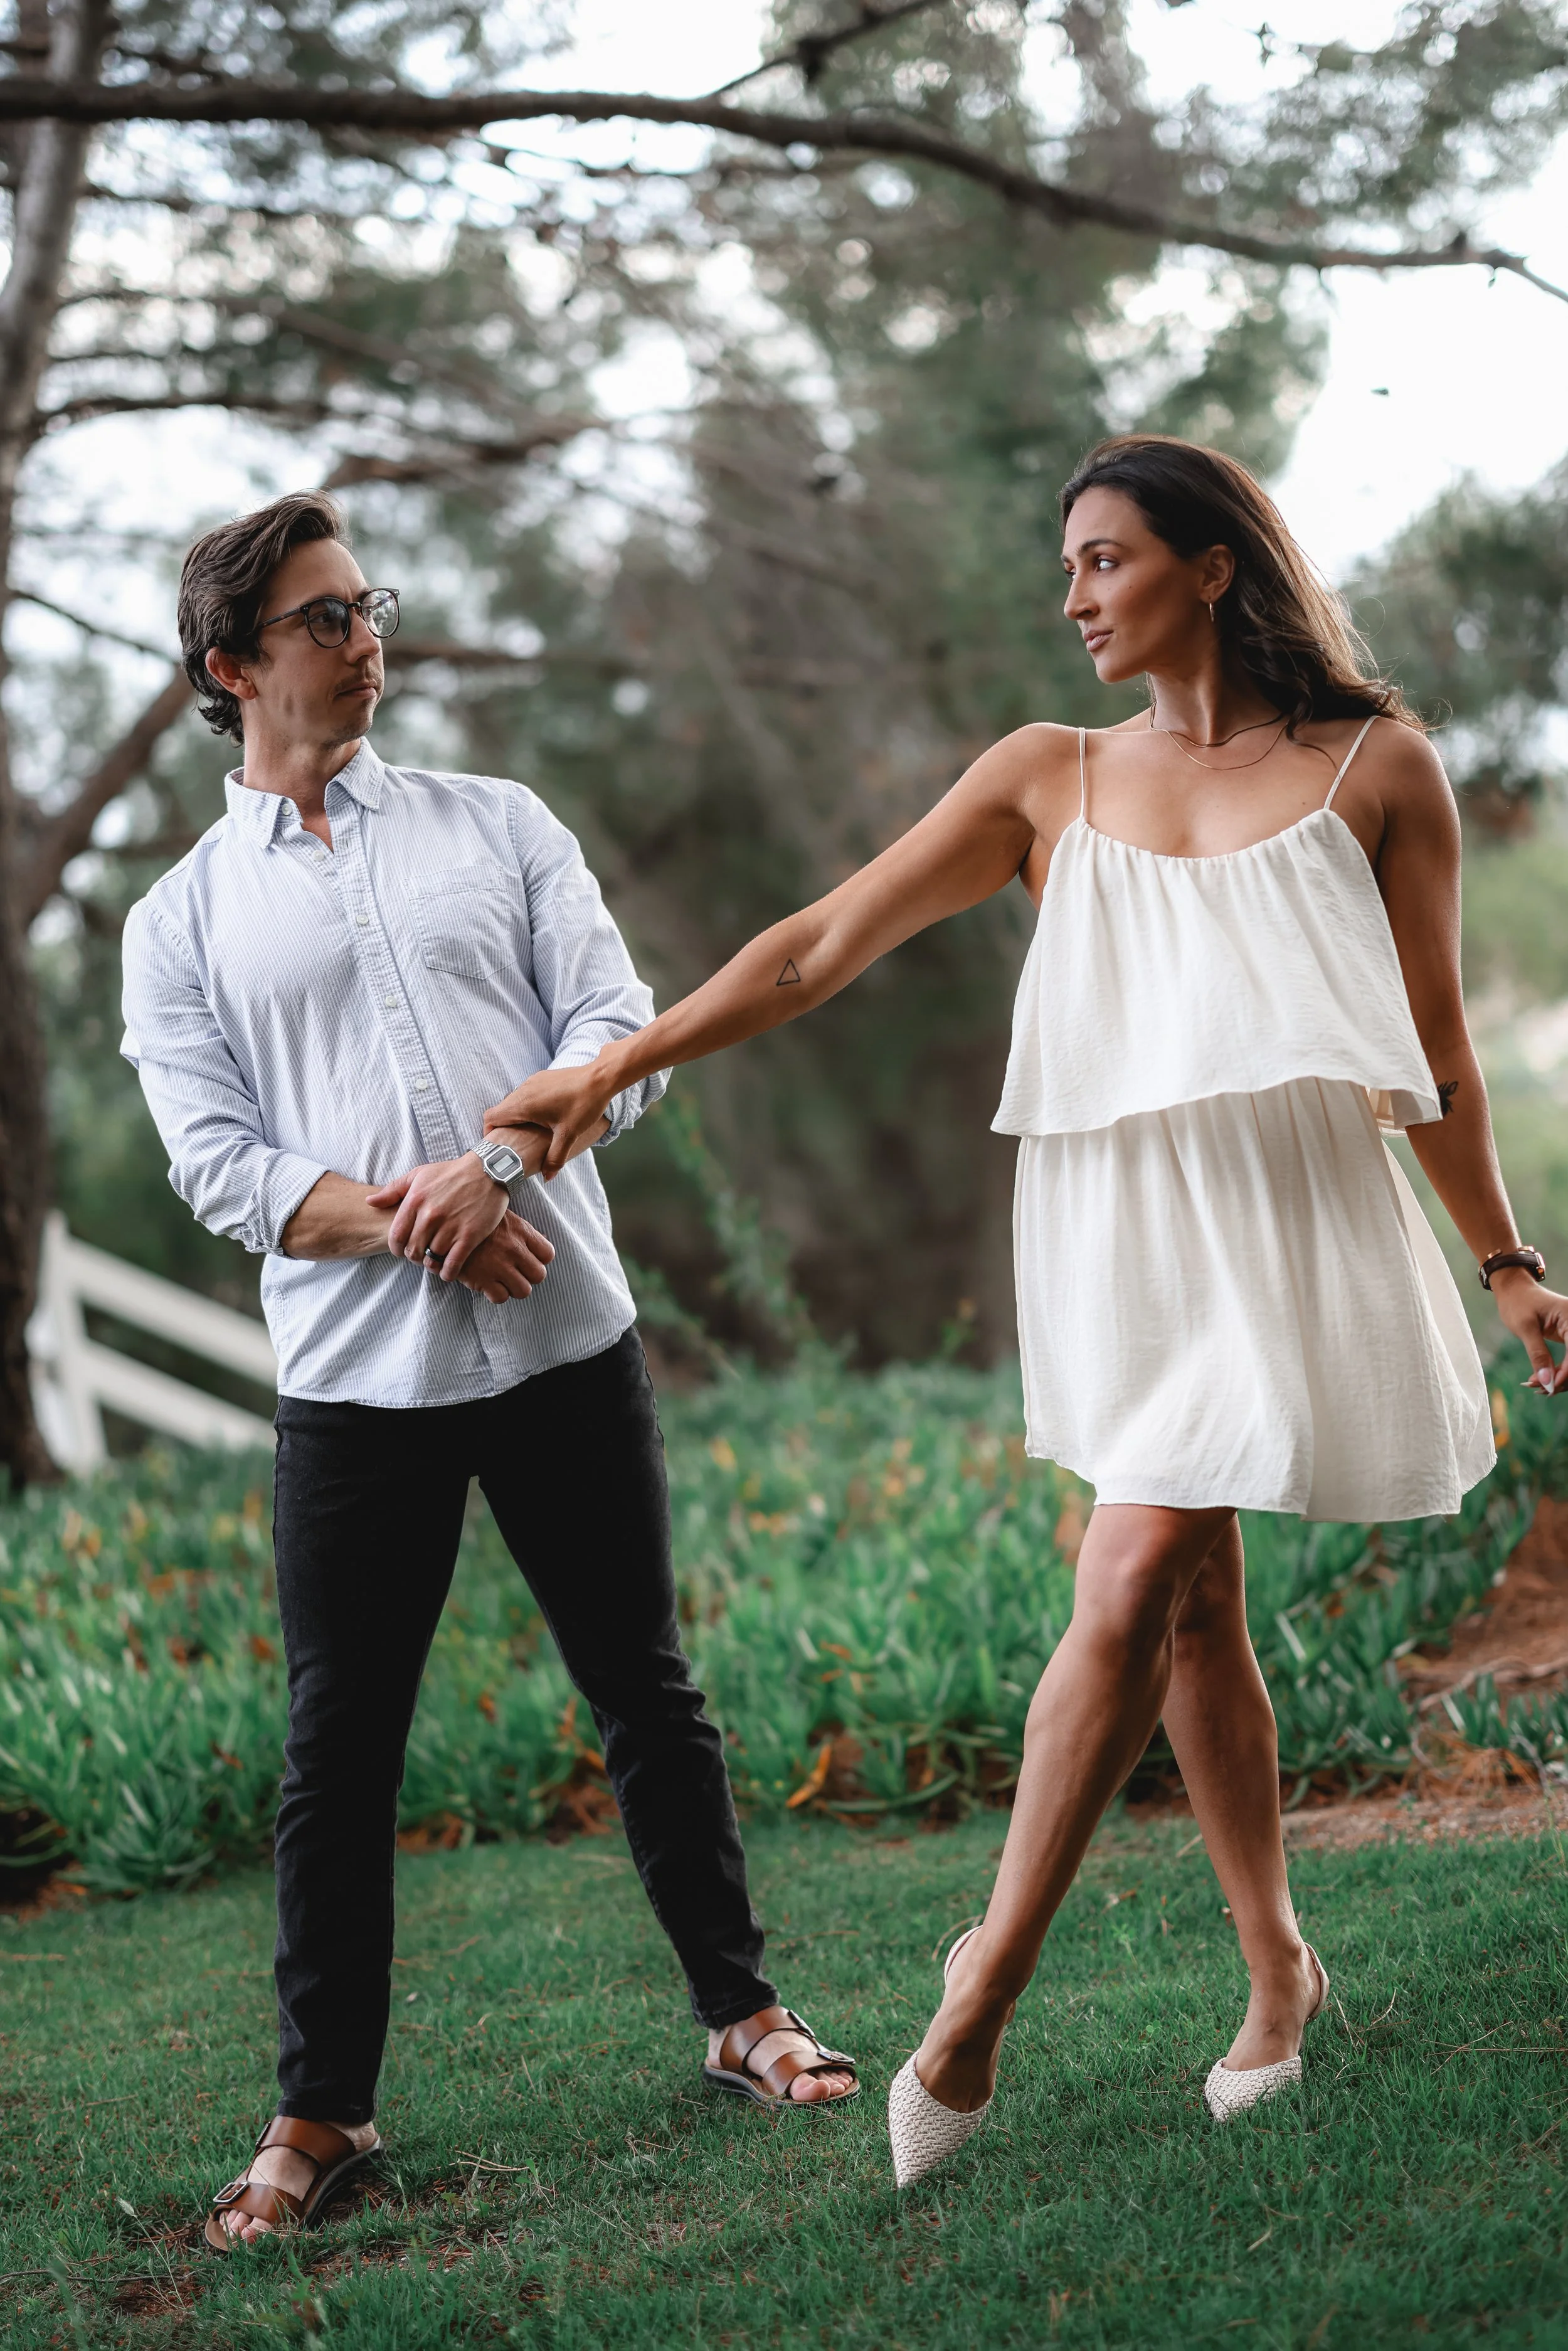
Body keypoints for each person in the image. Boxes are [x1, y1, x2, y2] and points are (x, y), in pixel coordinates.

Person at [489, 435, 1568, 2187]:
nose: (1071, 597)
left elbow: (1436, 1056)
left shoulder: (1380, 769)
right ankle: (1275, 1963)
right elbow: (817, 946)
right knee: (1186, 1596)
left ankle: (978, 1987)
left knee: (1144, 1567)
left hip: (1288, 1216)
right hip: (1119, 1223)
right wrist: (609, 1068)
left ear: (1210, 564)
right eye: (1065, 567)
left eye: (1101, 559)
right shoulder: (1043, 776)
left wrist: (1505, 1263)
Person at [120, 492, 857, 2254]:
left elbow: (626, 1037)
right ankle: (322, 2109)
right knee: (335, 1756)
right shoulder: (179, 922)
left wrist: (497, 1169)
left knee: (646, 1693)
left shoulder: (497, 825)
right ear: (233, 668)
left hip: (563, 1343)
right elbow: (216, 1163)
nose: (364, 634)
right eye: (320, 617)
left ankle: (744, 2018)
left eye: (367, 601)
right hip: (354, 1395)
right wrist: (415, 1222)